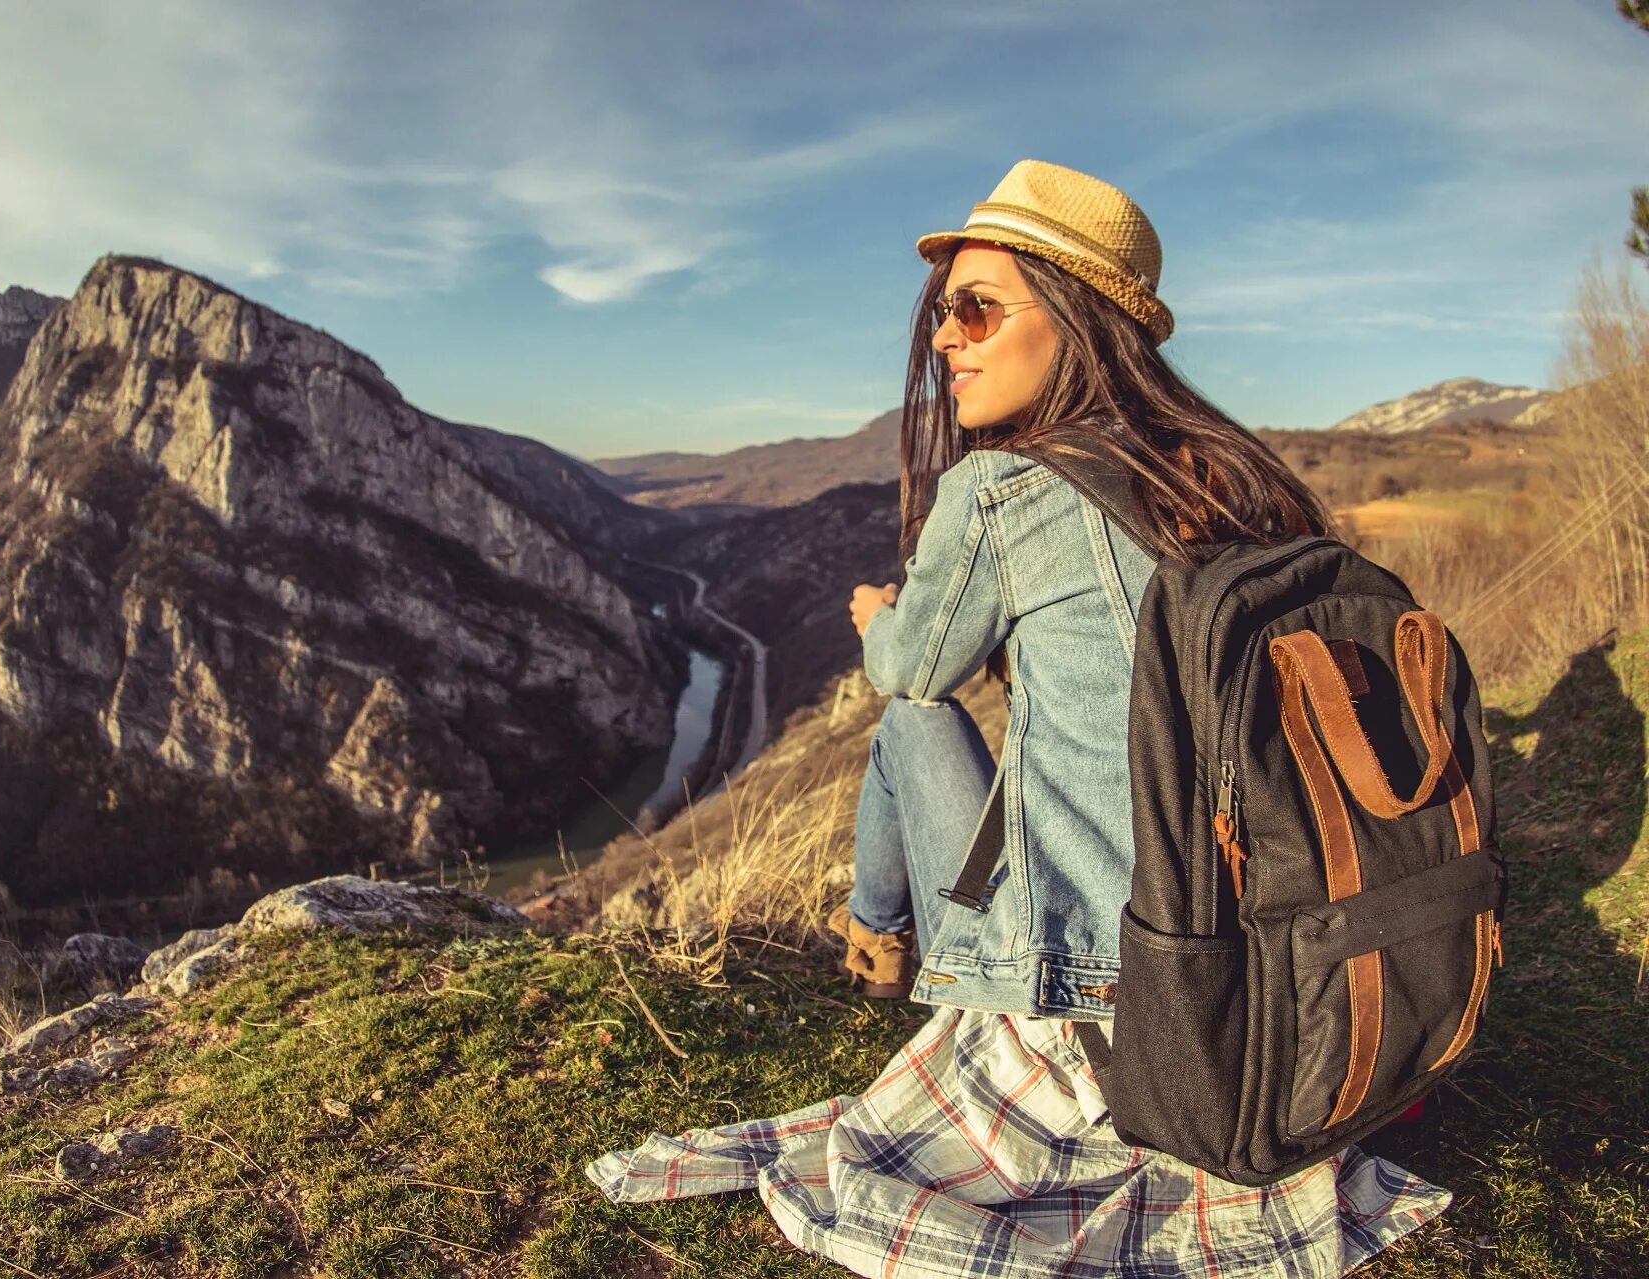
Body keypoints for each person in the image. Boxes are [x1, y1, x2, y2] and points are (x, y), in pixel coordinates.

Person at [589, 160, 1452, 1276]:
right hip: (1274, 962)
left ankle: (874, 938)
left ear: (1080, 322)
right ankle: (887, 942)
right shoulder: (1243, 481)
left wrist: (875, 614)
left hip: (1102, 996)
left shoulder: (1002, 489)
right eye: (941, 309)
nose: (945, 336)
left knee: (906, 725)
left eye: (976, 305)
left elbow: (912, 669)